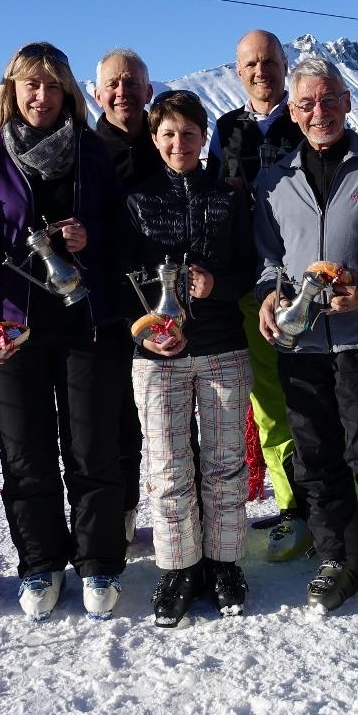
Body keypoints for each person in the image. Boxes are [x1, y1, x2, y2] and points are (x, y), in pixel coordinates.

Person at [0, 41, 130, 622]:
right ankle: (40, 560)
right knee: (24, 449)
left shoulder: (91, 151)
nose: (41, 95)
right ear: (11, 90)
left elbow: (118, 229)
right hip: (14, 323)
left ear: (68, 93)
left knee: (91, 445)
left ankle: (98, 559)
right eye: (30, 84)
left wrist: (90, 241)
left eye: (52, 85)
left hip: (86, 321)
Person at [255, 58, 358, 619]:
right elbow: (267, 261)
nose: (318, 112)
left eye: (328, 100)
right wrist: (267, 296)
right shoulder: (274, 181)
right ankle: (338, 559)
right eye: (305, 104)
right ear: (293, 112)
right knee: (316, 458)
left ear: (347, 103)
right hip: (301, 345)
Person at [124, 90, 255, 627]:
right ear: (154, 140)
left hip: (222, 346)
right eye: (168, 134)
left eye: (189, 133)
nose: (180, 143)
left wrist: (216, 285)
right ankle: (179, 567)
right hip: (157, 355)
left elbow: (253, 269)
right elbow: (123, 277)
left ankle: (225, 563)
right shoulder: (134, 200)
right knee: (169, 468)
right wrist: (146, 334)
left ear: (205, 139)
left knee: (225, 465)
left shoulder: (230, 197)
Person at [209, 29, 309, 562]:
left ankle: (341, 500)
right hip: (252, 287)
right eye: (250, 63)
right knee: (270, 406)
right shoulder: (225, 130)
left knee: (324, 396)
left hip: (310, 283)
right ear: (237, 69)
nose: (260, 71)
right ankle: (294, 506)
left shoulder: (308, 115)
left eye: (269, 61)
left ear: (283, 64)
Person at [93, 47, 158, 543]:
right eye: (113, 84)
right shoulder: (81, 152)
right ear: (97, 94)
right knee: (113, 419)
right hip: (105, 307)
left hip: (167, 304)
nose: (122, 93)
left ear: (147, 91)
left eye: (132, 83)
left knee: (178, 414)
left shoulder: (168, 145)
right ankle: (121, 512)